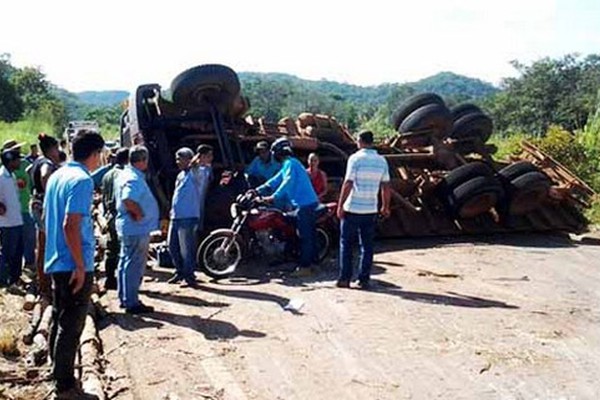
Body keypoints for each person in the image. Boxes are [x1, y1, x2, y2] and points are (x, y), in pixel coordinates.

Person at [44, 130, 104, 400]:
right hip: (72, 262)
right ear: (95, 154)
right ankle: (65, 385)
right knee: (71, 323)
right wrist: (80, 266)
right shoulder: (82, 180)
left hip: (58, 259)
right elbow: (71, 224)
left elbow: (48, 219)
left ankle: (57, 371)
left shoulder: (57, 175)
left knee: (59, 316)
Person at [254, 138, 319, 277]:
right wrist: (257, 190)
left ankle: (306, 267)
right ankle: (305, 260)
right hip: (301, 204)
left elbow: (287, 182)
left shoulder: (291, 163)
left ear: (278, 152)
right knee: (287, 227)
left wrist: (273, 197)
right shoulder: (287, 165)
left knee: (305, 236)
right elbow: (275, 180)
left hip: (305, 204)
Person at [336, 130, 391, 290]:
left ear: (360, 141)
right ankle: (363, 279)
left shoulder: (355, 159)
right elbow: (386, 186)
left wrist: (340, 205)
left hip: (352, 208)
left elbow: (348, 183)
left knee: (346, 244)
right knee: (367, 247)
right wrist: (385, 206)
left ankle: (344, 279)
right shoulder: (382, 161)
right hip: (370, 210)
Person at [115, 145, 159, 314]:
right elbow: (128, 199)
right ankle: (132, 302)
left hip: (129, 227)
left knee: (125, 262)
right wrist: (139, 213)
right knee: (134, 264)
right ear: (142, 161)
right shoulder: (133, 178)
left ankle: (124, 298)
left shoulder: (125, 174)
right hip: (135, 228)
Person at [166, 147, 211, 287]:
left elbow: (198, 168)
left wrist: (195, 161)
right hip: (176, 216)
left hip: (188, 216)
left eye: (180, 159)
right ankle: (180, 272)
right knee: (172, 246)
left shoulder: (197, 173)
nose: (177, 162)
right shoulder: (181, 175)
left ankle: (189, 276)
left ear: (188, 159)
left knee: (187, 249)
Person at [30, 133, 61, 296]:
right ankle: (45, 285)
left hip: (36, 203)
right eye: (57, 148)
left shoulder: (36, 161)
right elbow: (44, 175)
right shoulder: (46, 163)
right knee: (46, 245)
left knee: (41, 245)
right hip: (43, 205)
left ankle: (43, 282)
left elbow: (31, 172)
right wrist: (52, 196)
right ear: (53, 149)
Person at [2, 140, 35, 272]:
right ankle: (9, 275)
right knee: (10, 245)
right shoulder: (2, 173)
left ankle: (24, 268)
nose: (20, 152)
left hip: (21, 211)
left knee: (25, 241)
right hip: (9, 215)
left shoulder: (21, 169)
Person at [100, 148, 129, 290]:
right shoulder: (123, 174)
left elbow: (103, 195)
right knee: (124, 249)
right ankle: (124, 283)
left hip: (109, 215)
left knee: (111, 249)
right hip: (121, 215)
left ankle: (110, 279)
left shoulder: (107, 175)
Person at [0, 148, 24, 288]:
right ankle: (4, 281)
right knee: (8, 253)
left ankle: (14, 279)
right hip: (7, 222)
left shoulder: (11, 175)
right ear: (10, 161)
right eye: (17, 159)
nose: (19, 162)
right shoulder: (1, 176)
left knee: (17, 252)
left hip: (16, 220)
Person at [195, 144, 213, 232]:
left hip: (202, 197)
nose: (211, 158)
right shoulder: (194, 169)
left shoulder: (208, 169)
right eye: (208, 156)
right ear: (202, 156)